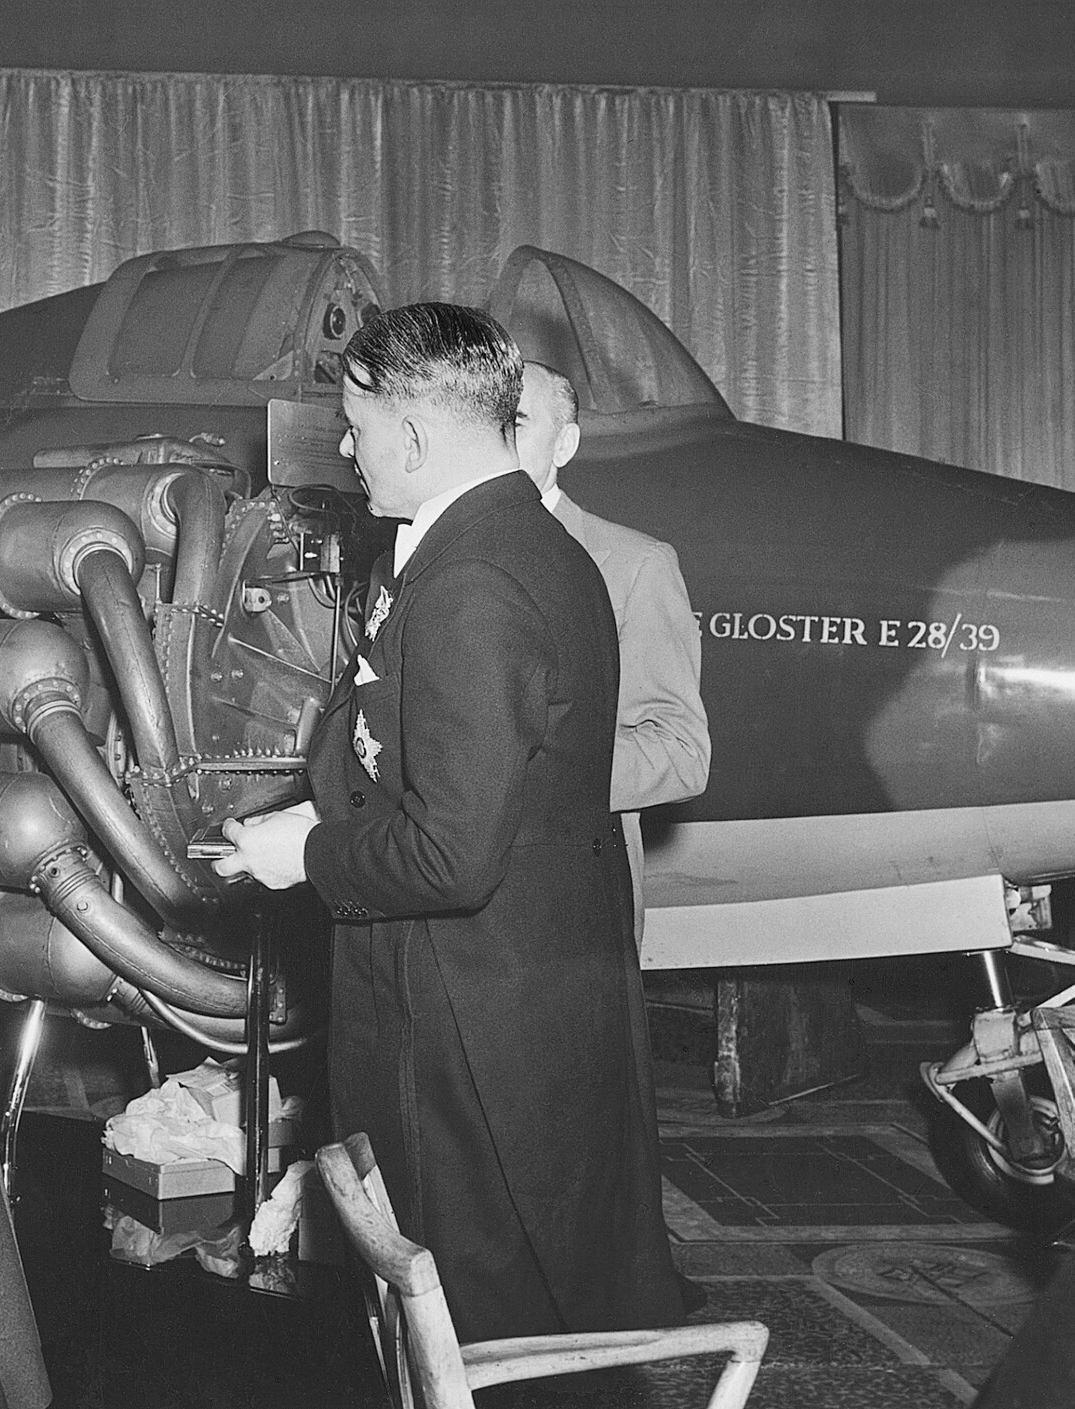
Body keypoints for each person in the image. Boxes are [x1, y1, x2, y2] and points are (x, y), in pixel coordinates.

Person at [216, 304, 682, 1346]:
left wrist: (302, 851)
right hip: (506, 997)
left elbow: (452, 851)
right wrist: (326, 803)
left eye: (354, 423)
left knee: (466, 1324)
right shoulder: (517, 540)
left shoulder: (472, 579)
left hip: (467, 1032)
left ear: (414, 435)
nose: (344, 445)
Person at [516, 360, 709, 941]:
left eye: (519, 420)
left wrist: (514, 777)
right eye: (486, 419)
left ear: (565, 443)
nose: (498, 437)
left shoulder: (633, 566)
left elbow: (680, 752)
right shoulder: (411, 559)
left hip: (566, 911)